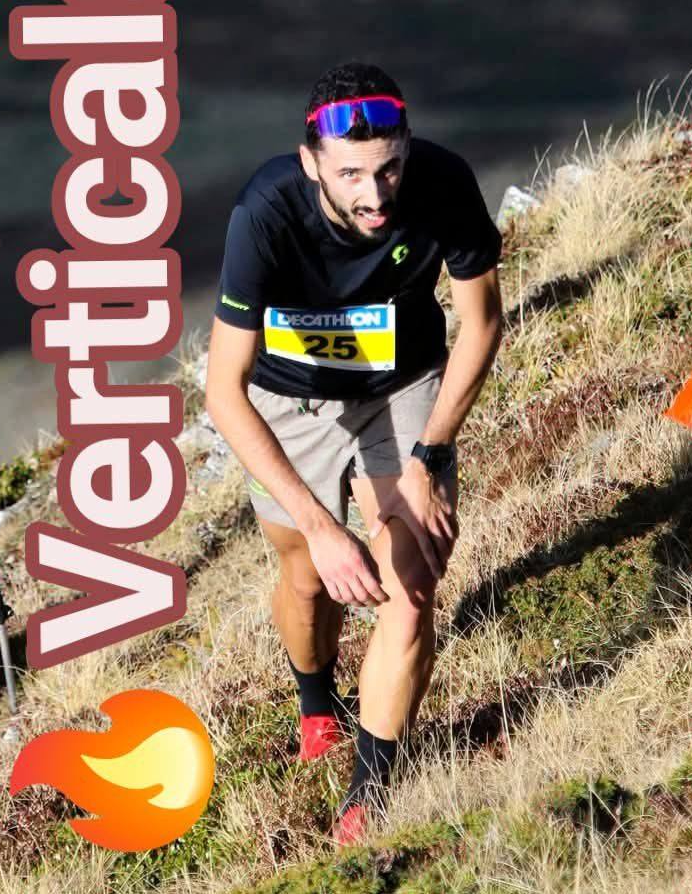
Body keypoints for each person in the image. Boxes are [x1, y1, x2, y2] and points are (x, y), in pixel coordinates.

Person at [204, 63, 503, 844]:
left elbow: (481, 323)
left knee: (410, 583)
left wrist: (429, 452)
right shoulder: (264, 210)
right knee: (309, 577)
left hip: (401, 384)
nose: (375, 194)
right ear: (311, 164)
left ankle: (368, 794)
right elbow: (222, 391)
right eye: (350, 176)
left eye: (389, 168)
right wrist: (319, 525)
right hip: (288, 396)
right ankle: (316, 704)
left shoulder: (443, 182)